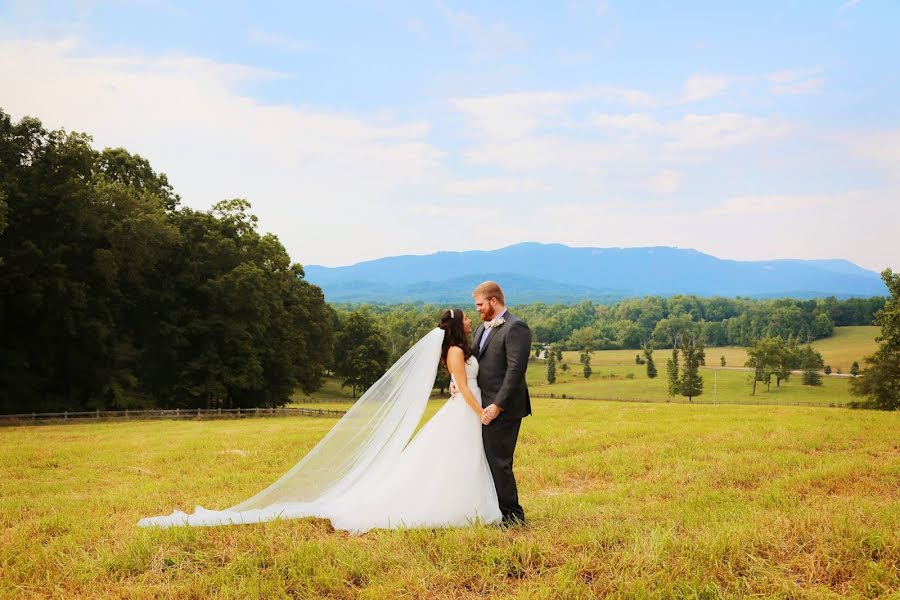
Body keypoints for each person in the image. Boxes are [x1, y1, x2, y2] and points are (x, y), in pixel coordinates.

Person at [138, 309, 502, 533]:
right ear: (457, 325)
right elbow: (462, 387)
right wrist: (478, 410)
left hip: (465, 411)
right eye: (467, 317)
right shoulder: (454, 350)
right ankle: (458, 507)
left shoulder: (461, 348)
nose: (472, 319)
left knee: (461, 461)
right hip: (464, 412)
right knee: (452, 460)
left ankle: (470, 506)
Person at [469, 280, 532, 526]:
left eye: (480, 304)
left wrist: (498, 405)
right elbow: (473, 359)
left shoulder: (516, 328)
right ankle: (495, 511)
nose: (478, 309)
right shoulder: (482, 328)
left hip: (504, 408)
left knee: (500, 462)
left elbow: (516, 371)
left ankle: (513, 516)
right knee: (487, 459)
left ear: (493, 301)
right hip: (483, 406)